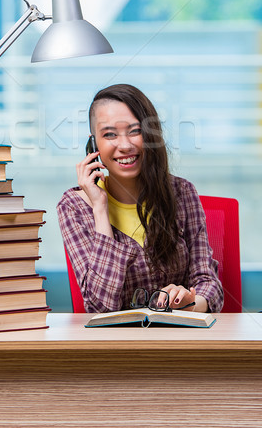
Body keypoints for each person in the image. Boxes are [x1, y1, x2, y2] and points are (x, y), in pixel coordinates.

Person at [57, 84, 223, 314]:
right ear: (93, 144)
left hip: (180, 339)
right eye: (110, 134)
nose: (125, 145)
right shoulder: (74, 207)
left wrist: (191, 303)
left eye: (135, 131)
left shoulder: (182, 193)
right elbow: (99, 308)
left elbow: (208, 283)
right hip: (119, 346)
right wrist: (100, 209)